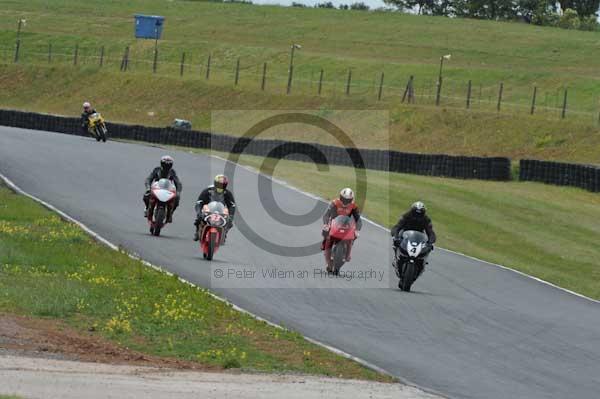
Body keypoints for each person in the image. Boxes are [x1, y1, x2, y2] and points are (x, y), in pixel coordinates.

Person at [321, 188, 362, 271]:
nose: (345, 202)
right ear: (340, 197)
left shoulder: (353, 206)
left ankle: (348, 253)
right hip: (333, 223)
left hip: (346, 225)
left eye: (348, 200)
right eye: (343, 199)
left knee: (355, 235)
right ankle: (327, 259)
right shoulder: (334, 203)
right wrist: (325, 224)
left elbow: (358, 220)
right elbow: (326, 215)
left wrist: (357, 230)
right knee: (326, 234)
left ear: (351, 200)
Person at [193, 175, 236, 242]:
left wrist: (231, 216)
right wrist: (199, 212)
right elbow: (199, 202)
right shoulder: (208, 190)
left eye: (223, 185)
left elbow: (232, 205)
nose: (220, 187)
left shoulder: (227, 193)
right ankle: (197, 231)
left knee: (229, 222)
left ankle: (224, 233)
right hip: (208, 209)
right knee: (198, 218)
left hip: (220, 210)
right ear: (215, 183)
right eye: (219, 184)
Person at [143, 155, 182, 223]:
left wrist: (178, 191)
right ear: (161, 163)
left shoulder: (172, 172)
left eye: (168, 165)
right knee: (146, 195)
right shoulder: (157, 170)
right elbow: (149, 179)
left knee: (177, 198)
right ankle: (147, 208)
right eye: (165, 164)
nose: (166, 166)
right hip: (157, 188)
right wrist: (148, 187)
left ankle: (170, 213)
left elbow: (178, 182)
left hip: (167, 190)